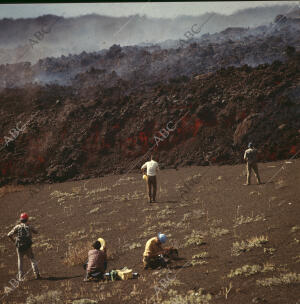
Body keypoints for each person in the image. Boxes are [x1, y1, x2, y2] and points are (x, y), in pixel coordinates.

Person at [7, 213, 40, 280]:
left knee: (20, 261)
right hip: (28, 246)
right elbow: (36, 232)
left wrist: (14, 242)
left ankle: (20, 277)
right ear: (27, 219)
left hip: (19, 247)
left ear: (20, 220)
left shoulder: (17, 227)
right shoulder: (29, 226)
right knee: (32, 259)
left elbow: (9, 235)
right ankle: (37, 274)